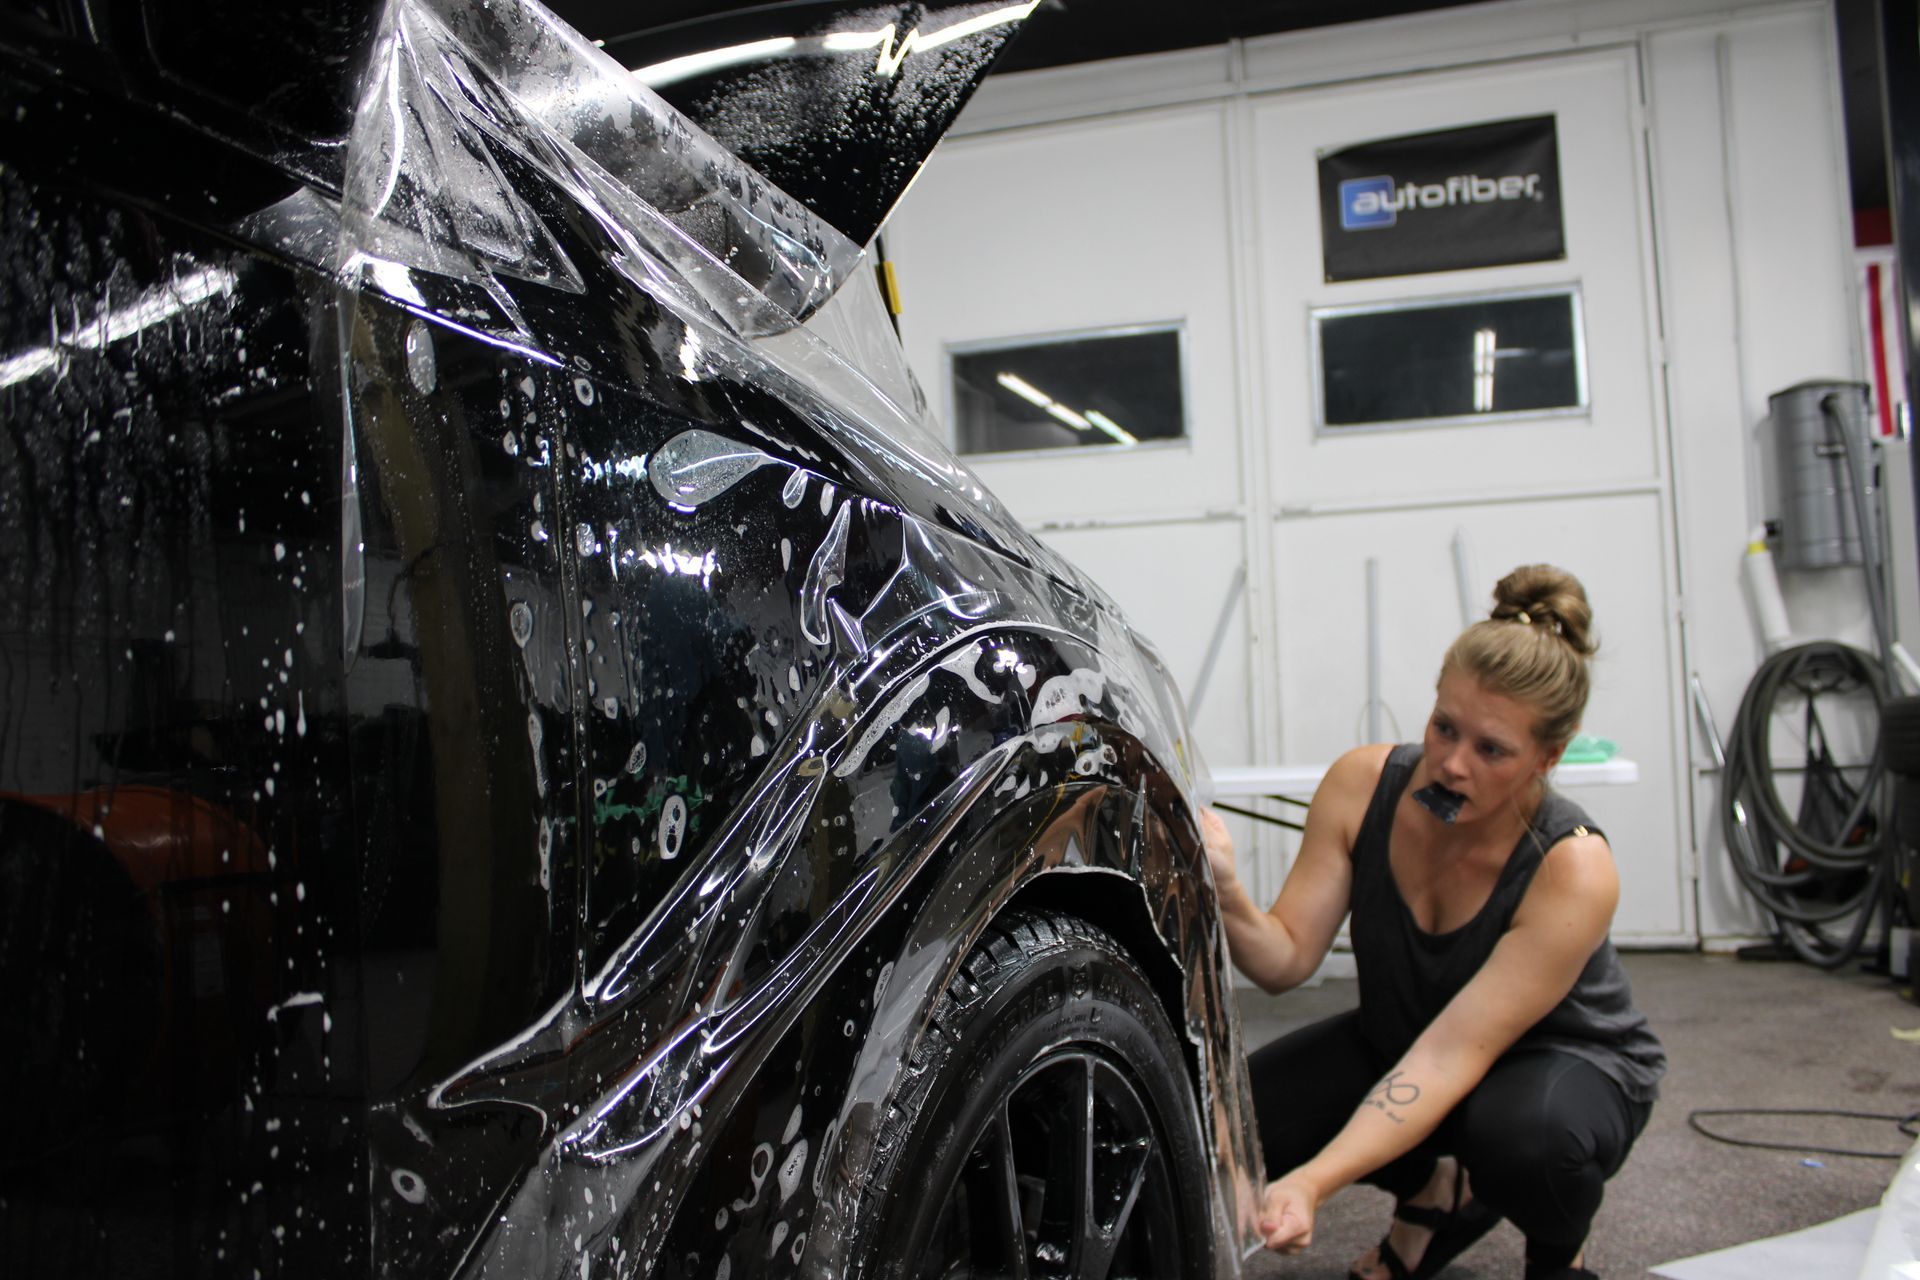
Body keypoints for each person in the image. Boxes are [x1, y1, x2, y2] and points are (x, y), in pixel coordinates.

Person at [1202, 564, 1665, 1280]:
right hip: (1411, 1034)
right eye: (1443, 727)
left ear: (1549, 756)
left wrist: (1314, 1183)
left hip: (1564, 1063)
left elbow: (1451, 1056)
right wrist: (1227, 890)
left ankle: (1558, 1251)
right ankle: (1433, 1195)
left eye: (1491, 750)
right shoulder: (1363, 785)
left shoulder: (1571, 866)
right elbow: (1285, 960)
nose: (1450, 765)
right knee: (1236, 1125)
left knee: (1523, 1141)